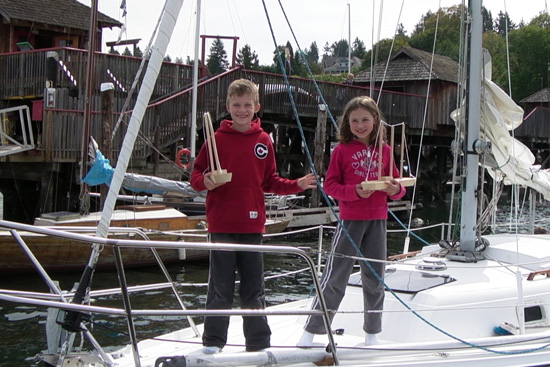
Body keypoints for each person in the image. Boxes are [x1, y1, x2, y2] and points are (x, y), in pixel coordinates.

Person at [190, 78, 317, 354]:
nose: (242, 110)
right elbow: (196, 176)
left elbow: (270, 181)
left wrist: (297, 184)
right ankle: (213, 342)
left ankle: (258, 343)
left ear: (256, 107)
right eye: (236, 105)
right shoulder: (216, 140)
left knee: (253, 287)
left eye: (247, 105)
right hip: (221, 223)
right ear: (228, 107)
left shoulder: (264, 141)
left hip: (252, 226)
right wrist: (206, 181)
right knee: (219, 287)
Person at [297, 95, 405, 347]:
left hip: (377, 221)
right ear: (347, 122)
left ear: (376, 120)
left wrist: (394, 190)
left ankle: (372, 333)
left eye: (365, 120)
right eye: (354, 120)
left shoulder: (386, 151)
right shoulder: (342, 151)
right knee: (335, 278)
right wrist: (355, 192)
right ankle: (312, 331)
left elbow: (399, 187)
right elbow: (332, 186)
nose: (360, 125)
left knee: (375, 279)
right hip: (350, 221)